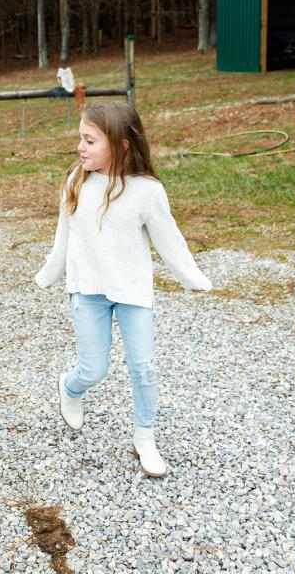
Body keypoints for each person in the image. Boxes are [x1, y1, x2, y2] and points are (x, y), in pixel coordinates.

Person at [34, 101, 211, 478]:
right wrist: (49, 273)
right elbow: (63, 237)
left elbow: (170, 240)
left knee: (143, 368)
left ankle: (144, 439)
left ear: (121, 144)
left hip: (132, 291)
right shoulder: (75, 181)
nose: (80, 147)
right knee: (93, 368)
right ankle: (70, 387)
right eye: (80, 139)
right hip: (88, 289)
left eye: (90, 140)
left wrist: (190, 275)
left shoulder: (147, 191)